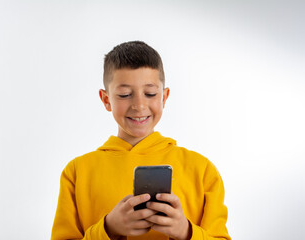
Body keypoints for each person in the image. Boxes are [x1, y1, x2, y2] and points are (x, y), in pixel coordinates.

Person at [51, 41, 231, 240]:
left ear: (164, 97)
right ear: (106, 100)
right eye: (125, 94)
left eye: (150, 93)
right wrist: (108, 229)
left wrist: (185, 232)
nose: (139, 105)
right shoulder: (77, 172)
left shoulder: (202, 170)